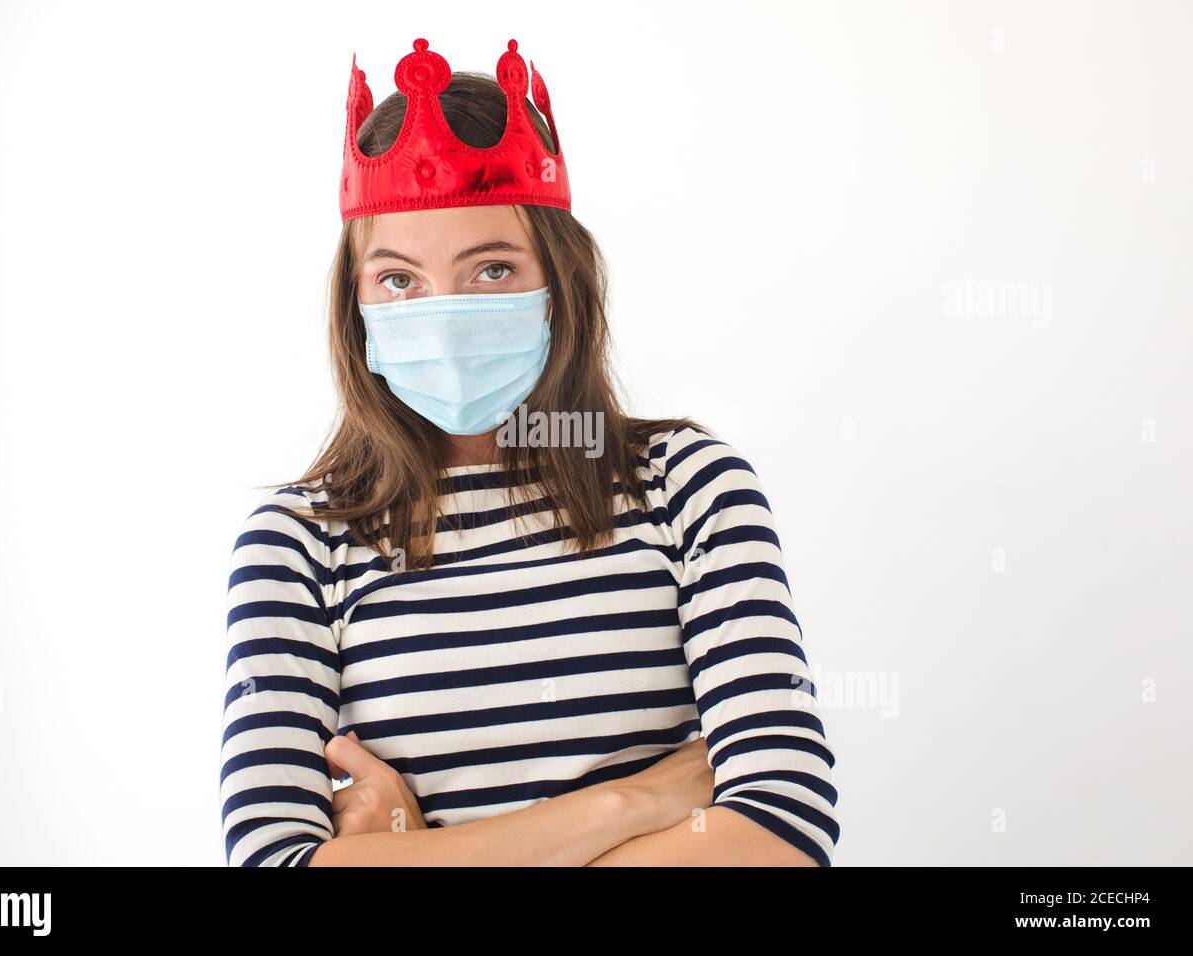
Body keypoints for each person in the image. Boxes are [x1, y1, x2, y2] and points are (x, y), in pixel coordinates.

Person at [218, 37, 839, 866]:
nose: (443, 313)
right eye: (399, 279)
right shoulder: (296, 541)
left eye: (493, 270)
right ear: (357, 303)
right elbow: (273, 860)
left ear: (561, 284)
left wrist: (424, 851)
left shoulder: (688, 487)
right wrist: (633, 802)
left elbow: (784, 833)